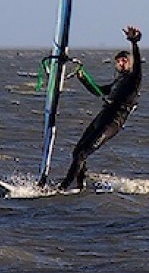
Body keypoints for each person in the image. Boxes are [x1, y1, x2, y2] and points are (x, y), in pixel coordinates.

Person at [59, 25, 143, 191]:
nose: (120, 63)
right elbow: (98, 91)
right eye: (118, 61)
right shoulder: (117, 82)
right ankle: (80, 186)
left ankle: (62, 189)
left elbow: (138, 62)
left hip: (112, 123)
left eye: (124, 60)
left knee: (83, 154)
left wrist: (134, 42)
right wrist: (83, 78)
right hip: (102, 117)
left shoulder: (134, 80)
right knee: (77, 152)